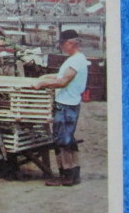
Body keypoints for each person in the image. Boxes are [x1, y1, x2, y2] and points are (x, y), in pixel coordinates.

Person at [34, 29, 89, 186]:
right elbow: (61, 77)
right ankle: (74, 173)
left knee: (62, 141)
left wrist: (42, 84)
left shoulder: (75, 61)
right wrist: (46, 77)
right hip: (70, 104)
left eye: (62, 44)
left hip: (66, 105)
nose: (61, 47)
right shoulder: (77, 59)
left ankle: (66, 175)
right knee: (68, 140)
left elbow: (63, 82)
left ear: (70, 43)